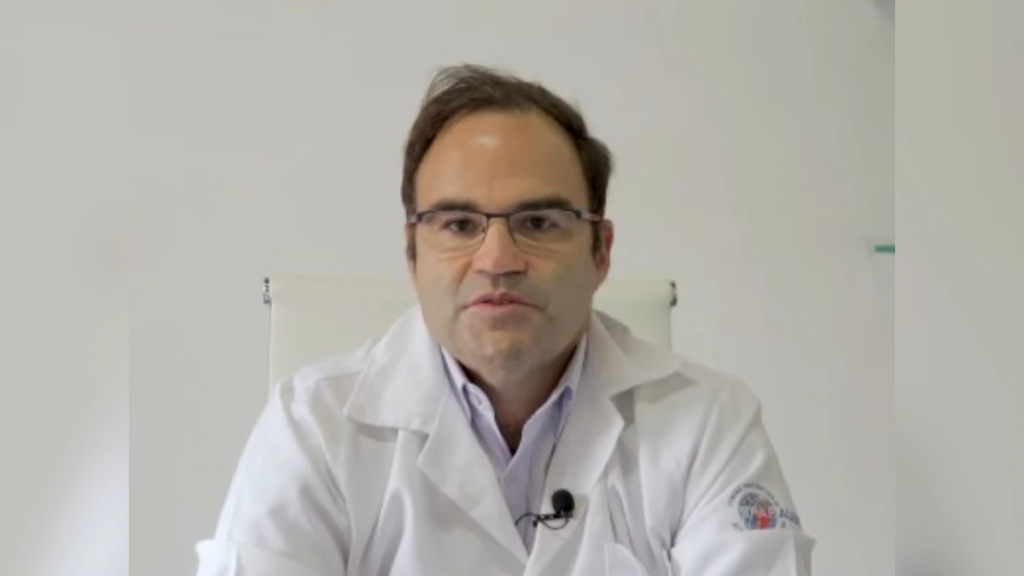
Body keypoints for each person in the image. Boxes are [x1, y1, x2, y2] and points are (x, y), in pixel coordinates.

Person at [195, 64, 814, 576]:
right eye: (459, 224)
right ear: (412, 254)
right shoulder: (313, 428)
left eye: (538, 222)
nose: (497, 260)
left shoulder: (708, 423)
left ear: (600, 252)